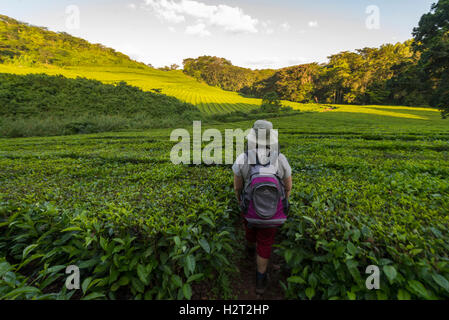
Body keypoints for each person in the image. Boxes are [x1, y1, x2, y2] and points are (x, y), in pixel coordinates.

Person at [232, 120, 292, 295]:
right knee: (265, 242)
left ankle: (249, 249)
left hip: (250, 211)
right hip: (273, 213)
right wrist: (283, 203)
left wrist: (240, 203)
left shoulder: (243, 158)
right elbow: (288, 187)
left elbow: (237, 188)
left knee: (250, 229)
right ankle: (260, 280)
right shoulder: (280, 158)